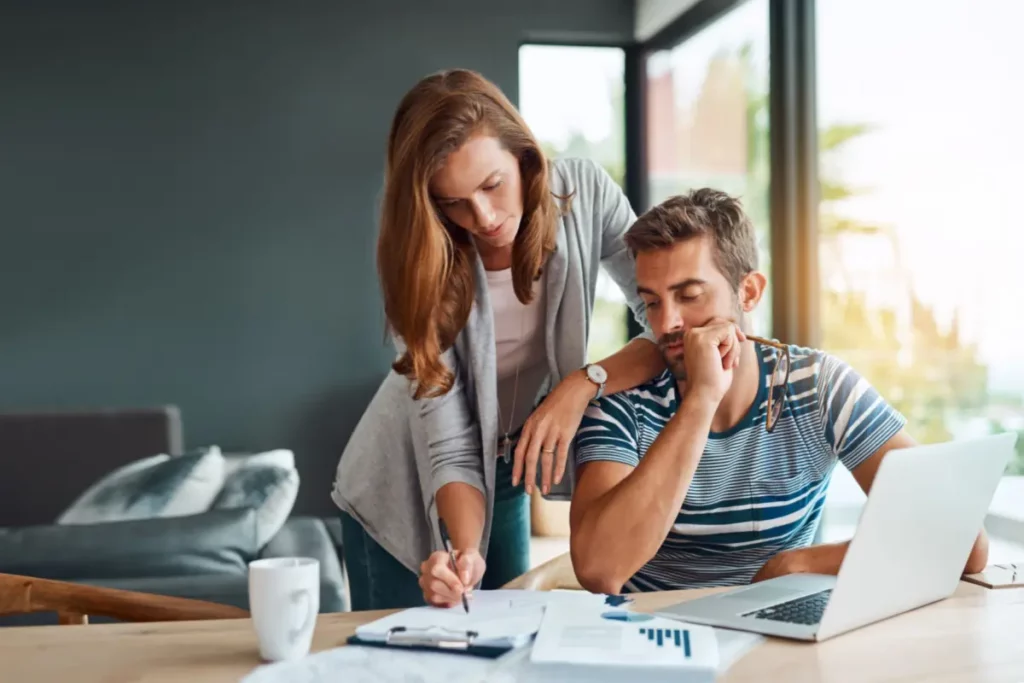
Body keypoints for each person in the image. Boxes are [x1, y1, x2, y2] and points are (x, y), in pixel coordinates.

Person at [330, 68, 665, 610]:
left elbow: (663, 318)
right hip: (403, 485)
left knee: (507, 641)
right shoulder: (423, 264)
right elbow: (449, 443)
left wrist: (584, 383)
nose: (481, 218)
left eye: (491, 185)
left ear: (524, 157)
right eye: (453, 203)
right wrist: (463, 553)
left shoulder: (583, 197)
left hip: (505, 467)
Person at [568, 188, 990, 594]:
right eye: (653, 302)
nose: (666, 324)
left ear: (748, 292)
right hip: (657, 644)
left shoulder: (817, 386)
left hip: (776, 643)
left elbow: (963, 543)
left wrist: (798, 563)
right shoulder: (622, 404)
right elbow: (599, 571)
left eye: (690, 295)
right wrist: (701, 400)